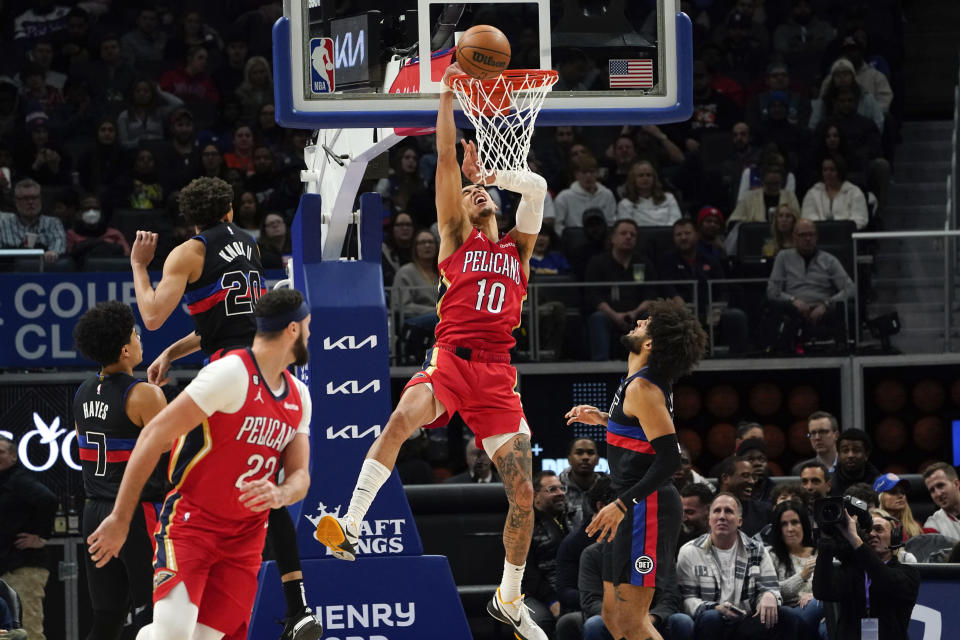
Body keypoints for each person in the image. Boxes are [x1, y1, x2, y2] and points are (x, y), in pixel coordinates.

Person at [314, 60, 553, 640]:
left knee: (523, 492)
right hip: (451, 361)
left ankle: (510, 597)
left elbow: (538, 189)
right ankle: (349, 522)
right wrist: (447, 94)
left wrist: (494, 173)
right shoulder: (452, 235)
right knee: (399, 419)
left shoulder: (519, 250)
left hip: (497, 374)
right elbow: (446, 158)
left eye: (480, 193)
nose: (473, 196)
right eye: (468, 195)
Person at [128, 177, 320, 639]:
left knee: (186, 470)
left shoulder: (189, 252)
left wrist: (139, 267)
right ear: (231, 211)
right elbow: (229, 322)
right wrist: (173, 354)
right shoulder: (249, 245)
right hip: (266, 367)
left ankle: (163, 551)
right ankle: (297, 606)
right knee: (266, 482)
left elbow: (151, 314)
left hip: (230, 376)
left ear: (191, 217)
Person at [87, 288, 314, 640]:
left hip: (245, 539)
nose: (310, 335)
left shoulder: (300, 395)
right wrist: (119, 517)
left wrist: (279, 492)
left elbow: (301, 477)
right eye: (309, 327)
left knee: (205, 638)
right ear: (293, 330)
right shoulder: (231, 373)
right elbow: (151, 437)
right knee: (173, 632)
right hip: (194, 524)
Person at [563, 298, 707, 640]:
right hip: (634, 504)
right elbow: (640, 432)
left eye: (646, 323)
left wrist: (623, 504)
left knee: (631, 621)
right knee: (613, 618)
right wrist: (603, 418)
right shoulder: (638, 380)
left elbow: (670, 458)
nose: (638, 321)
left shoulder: (644, 388)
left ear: (650, 343)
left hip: (648, 507)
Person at [72, 302, 168, 640]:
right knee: (155, 612)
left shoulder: (81, 392)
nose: (140, 338)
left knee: (107, 617)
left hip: (93, 511)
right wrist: (161, 398)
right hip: (135, 514)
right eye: (135, 334)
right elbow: (172, 451)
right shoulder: (144, 395)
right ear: (126, 350)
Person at [677, 493, 797, 640]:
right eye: (717, 511)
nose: (722, 516)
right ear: (709, 520)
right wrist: (715, 607)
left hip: (746, 620)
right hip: (709, 619)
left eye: (728, 511)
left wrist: (769, 596)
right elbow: (686, 599)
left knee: (786, 615)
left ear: (739, 521)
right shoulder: (689, 551)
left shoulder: (757, 550)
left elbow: (771, 588)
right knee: (712, 618)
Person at [813, 509, 920, 640]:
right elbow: (822, 591)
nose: (872, 534)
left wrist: (855, 540)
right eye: (868, 530)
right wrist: (826, 540)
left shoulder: (908, 573)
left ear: (894, 536)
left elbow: (886, 579)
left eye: (879, 529)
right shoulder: (851, 571)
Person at [765, 219, 856, 349]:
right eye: (802, 235)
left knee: (848, 309)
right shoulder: (783, 257)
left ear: (816, 237)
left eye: (811, 234)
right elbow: (772, 291)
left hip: (823, 310)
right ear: (794, 237)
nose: (808, 238)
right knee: (774, 306)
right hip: (793, 310)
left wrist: (827, 304)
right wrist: (793, 300)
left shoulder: (829, 260)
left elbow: (851, 289)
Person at [0, 436, 57, 640]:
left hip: (23, 568)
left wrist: (41, 537)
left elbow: (48, 500)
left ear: (14, 456)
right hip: (7, 567)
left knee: (27, 629)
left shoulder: (18, 480)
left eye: (1, 452)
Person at [584, 219, 659, 361]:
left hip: (636, 313)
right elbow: (594, 296)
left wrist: (634, 313)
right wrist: (614, 316)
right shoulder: (597, 262)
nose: (628, 237)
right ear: (612, 238)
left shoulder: (644, 263)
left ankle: (647, 366)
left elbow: (651, 294)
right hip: (609, 313)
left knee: (650, 316)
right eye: (624, 233)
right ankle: (600, 365)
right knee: (598, 318)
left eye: (633, 235)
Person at [766, 500, 823, 640]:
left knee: (826, 625)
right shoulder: (770, 555)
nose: (790, 529)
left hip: (820, 612)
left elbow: (835, 587)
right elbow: (772, 592)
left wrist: (816, 596)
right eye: (784, 524)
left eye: (795, 522)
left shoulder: (821, 553)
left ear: (804, 524)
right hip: (787, 613)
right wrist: (802, 576)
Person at [524, 471, 570, 633]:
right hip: (531, 593)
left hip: (567, 590)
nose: (560, 494)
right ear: (535, 495)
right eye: (552, 490)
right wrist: (551, 600)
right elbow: (526, 572)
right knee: (538, 621)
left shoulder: (569, 520)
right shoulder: (523, 525)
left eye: (562, 488)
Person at [0, 177, 68, 267]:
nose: (31, 202)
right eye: (25, 198)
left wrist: (53, 252)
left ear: (40, 199)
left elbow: (59, 244)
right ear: (16, 201)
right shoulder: (3, 225)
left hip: (45, 272)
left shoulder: (53, 223)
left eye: (34, 197)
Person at [554, 154, 617, 234]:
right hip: (574, 241)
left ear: (597, 173)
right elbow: (558, 225)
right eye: (584, 172)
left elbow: (611, 222)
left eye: (592, 172)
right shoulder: (564, 197)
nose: (588, 176)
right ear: (576, 174)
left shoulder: (607, 195)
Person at [801, 155, 868, 229]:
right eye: (825, 170)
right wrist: (825, 228)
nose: (828, 173)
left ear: (840, 171)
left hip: (846, 236)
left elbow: (860, 219)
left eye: (832, 170)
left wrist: (838, 228)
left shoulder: (854, 192)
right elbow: (807, 217)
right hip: (818, 236)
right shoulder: (812, 192)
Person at [559, 438, 607, 532]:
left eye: (590, 453)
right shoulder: (557, 488)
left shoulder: (608, 488)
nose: (585, 457)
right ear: (569, 459)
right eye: (579, 453)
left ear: (597, 459)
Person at [615, 161, 682, 227]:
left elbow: (676, 222)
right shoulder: (625, 204)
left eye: (648, 175)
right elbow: (627, 228)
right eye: (641, 175)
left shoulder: (669, 198)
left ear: (654, 178)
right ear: (633, 179)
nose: (645, 178)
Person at [717, 457, 771, 537]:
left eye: (753, 477)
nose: (752, 481)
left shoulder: (764, 512)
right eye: (745, 475)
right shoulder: (706, 510)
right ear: (725, 478)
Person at [829, 430, 880, 497]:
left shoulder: (878, 483)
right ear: (838, 454)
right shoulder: (830, 482)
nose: (850, 455)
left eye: (856, 450)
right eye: (845, 450)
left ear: (866, 455)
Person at [871, 474, 920, 541]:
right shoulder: (872, 527)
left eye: (902, 492)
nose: (900, 496)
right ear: (880, 498)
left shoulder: (917, 527)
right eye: (893, 492)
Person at [921, 463, 960, 541]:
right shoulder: (932, 526)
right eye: (932, 490)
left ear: (956, 484)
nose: (938, 494)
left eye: (940, 485)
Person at [678, 482, 714, 551]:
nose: (683, 519)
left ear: (709, 509)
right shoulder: (678, 539)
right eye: (681, 512)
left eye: (690, 512)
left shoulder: (727, 540)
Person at [738, 438, 773, 504]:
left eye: (761, 459)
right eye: (750, 459)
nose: (757, 463)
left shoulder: (775, 490)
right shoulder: (735, 490)